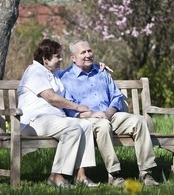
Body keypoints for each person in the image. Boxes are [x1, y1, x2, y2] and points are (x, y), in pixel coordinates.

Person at [60, 40, 159, 186]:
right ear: (73, 57)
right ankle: (114, 174)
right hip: (87, 120)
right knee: (103, 125)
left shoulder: (101, 72)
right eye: (83, 52)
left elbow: (116, 96)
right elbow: (69, 109)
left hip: (110, 115)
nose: (88, 55)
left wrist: (109, 111)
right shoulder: (66, 78)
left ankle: (146, 173)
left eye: (89, 51)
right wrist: (92, 114)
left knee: (139, 121)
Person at [17, 39, 99, 187]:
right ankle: (56, 176)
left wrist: (97, 66)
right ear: (45, 59)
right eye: (57, 56)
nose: (61, 59)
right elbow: (51, 97)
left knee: (86, 125)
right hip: (34, 121)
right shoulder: (34, 71)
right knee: (72, 128)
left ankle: (81, 176)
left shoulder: (54, 73)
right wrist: (77, 107)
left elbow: (75, 69)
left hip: (52, 120)